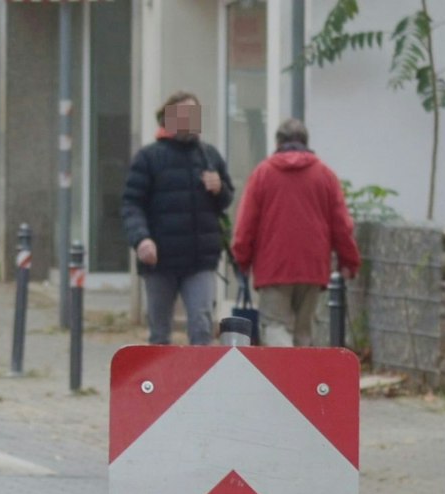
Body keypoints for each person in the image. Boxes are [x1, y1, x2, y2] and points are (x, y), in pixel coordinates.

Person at [231, 119, 361, 347]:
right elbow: (342, 224)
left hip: (273, 268)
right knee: (304, 330)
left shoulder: (263, 174)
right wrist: (348, 261)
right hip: (312, 267)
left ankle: (284, 380)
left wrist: (242, 259)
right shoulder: (325, 175)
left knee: (275, 325)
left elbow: (246, 224)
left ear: (278, 142)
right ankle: (302, 380)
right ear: (305, 142)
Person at [121, 91, 232, 345]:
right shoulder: (149, 157)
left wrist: (220, 189)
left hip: (200, 259)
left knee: (202, 324)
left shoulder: (209, 156)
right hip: (159, 260)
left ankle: (201, 380)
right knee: (160, 331)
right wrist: (141, 240)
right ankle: (162, 383)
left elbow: (224, 202)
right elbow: (131, 203)